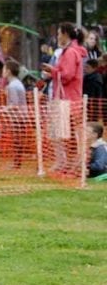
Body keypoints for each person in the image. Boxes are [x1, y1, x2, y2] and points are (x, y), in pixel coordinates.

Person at [41, 22, 88, 174]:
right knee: (69, 133)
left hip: (65, 98)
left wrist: (52, 71)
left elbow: (67, 75)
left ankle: (64, 162)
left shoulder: (69, 52)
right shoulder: (73, 51)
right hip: (71, 96)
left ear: (66, 34)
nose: (57, 36)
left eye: (59, 33)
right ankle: (71, 163)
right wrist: (54, 72)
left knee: (59, 133)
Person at [82, 58, 104, 124]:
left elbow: (96, 95)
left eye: (87, 67)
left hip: (92, 108)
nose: (84, 69)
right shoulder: (87, 77)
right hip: (86, 105)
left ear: (94, 68)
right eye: (84, 66)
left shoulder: (96, 80)